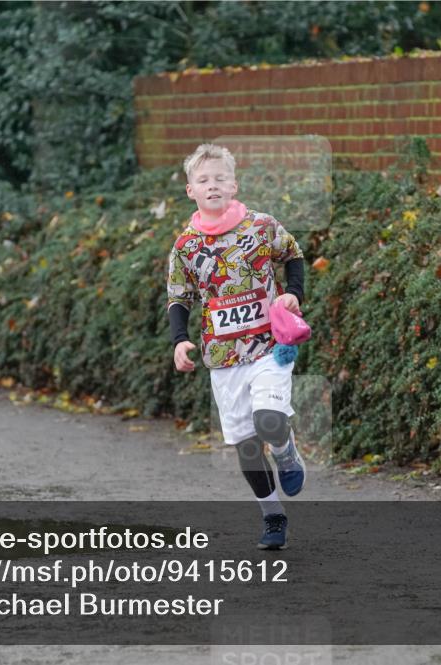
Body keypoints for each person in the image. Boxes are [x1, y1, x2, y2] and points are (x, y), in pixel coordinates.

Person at [166, 143, 307, 550]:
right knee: (246, 444)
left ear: (234, 184)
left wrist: (293, 293)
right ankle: (272, 516)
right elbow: (178, 298)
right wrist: (180, 340)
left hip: (268, 346)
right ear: (191, 190)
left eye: (220, 178)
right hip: (223, 357)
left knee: (269, 419)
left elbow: (293, 255)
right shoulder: (186, 247)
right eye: (203, 180)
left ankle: (285, 451)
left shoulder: (261, 226)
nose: (213, 185)